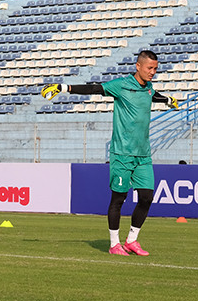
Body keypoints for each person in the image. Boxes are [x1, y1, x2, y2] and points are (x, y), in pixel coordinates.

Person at [40, 50, 178, 257]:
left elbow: (152, 95)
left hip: (143, 155)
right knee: (119, 199)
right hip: (122, 154)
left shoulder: (148, 87)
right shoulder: (120, 85)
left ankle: (132, 241)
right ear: (138, 66)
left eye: (156, 68)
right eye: (150, 68)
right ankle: (114, 244)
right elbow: (95, 88)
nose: (153, 72)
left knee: (147, 197)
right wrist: (63, 87)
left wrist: (167, 100)